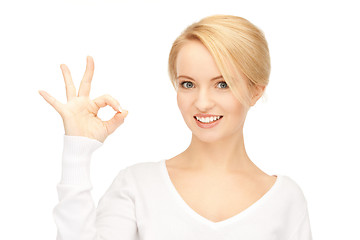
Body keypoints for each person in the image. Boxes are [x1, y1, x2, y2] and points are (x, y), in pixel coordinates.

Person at [39, 14, 312, 240]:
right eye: (188, 84)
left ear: (255, 91)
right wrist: (77, 150)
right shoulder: (136, 186)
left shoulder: (286, 199)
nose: (202, 102)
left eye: (222, 84)